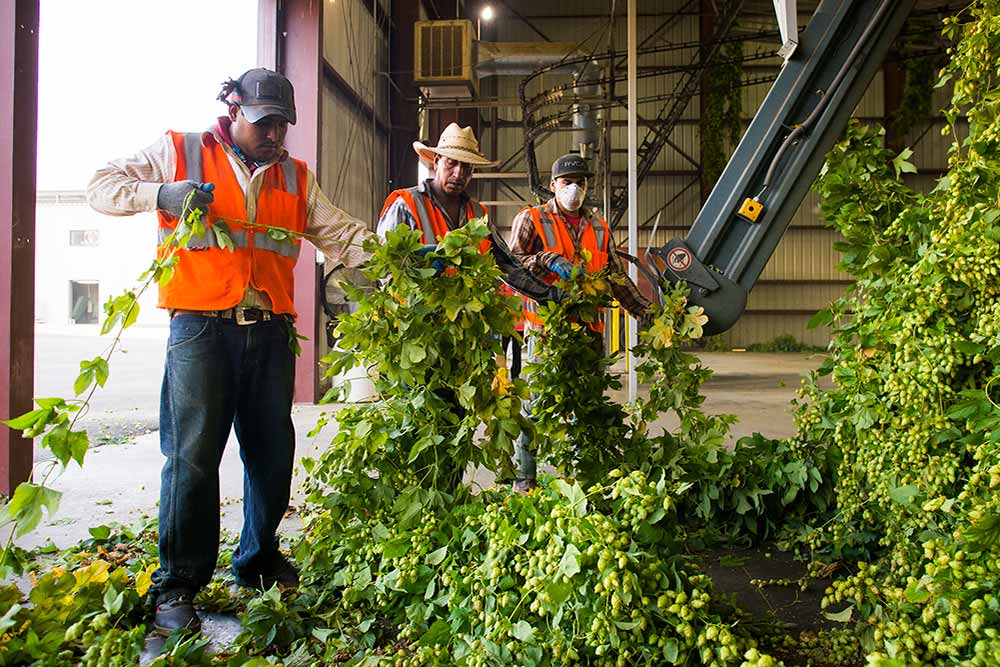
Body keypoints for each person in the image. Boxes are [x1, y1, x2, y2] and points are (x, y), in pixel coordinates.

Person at [86, 68, 372, 634]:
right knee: (192, 457)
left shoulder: (294, 176)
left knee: (271, 451)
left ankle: (257, 558)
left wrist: (404, 255)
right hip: (199, 329)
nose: (273, 134)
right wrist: (161, 194)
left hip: (268, 330)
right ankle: (178, 585)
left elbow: (340, 233)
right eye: (263, 122)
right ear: (233, 110)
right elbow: (100, 185)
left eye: (281, 125)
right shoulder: (180, 152)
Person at [508, 153, 652, 492]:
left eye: (580, 182)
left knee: (586, 405)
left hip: (589, 331)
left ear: (587, 186)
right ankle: (524, 477)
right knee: (536, 405)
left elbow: (615, 277)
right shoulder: (532, 219)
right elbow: (511, 263)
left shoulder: (599, 227)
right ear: (553, 185)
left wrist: (645, 312)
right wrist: (547, 259)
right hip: (547, 331)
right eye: (567, 182)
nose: (574, 188)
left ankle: (581, 477)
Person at [376, 123, 562, 307]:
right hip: (416, 325)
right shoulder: (406, 205)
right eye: (452, 163)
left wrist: (550, 295)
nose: (459, 173)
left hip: (465, 322)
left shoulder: (478, 214)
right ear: (436, 161)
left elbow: (508, 266)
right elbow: (385, 268)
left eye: (467, 167)